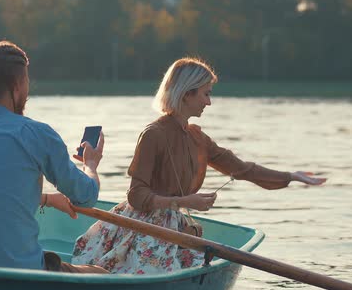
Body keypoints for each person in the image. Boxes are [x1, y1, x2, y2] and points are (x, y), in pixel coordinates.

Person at [71, 57, 326, 274]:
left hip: (176, 226)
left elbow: (242, 168)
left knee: (199, 263)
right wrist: (184, 202)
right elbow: (136, 196)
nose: (209, 102)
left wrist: (291, 176)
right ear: (186, 93)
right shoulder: (153, 134)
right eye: (206, 94)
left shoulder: (197, 137)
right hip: (142, 227)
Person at [0, 41, 107, 273]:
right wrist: (91, 165)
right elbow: (85, 196)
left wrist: (46, 198)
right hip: (20, 274)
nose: (28, 87)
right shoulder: (35, 134)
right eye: (26, 80)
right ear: (17, 85)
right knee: (102, 274)